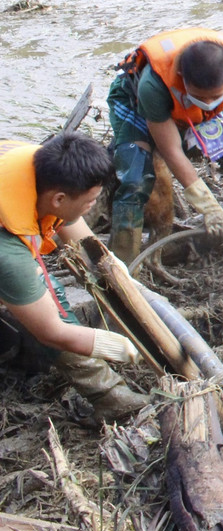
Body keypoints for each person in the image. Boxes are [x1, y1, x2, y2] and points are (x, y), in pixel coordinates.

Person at [0, 135, 147, 421]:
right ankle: (109, 395)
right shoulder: (7, 252)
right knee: (44, 299)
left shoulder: (42, 169)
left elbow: (78, 233)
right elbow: (52, 331)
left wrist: (112, 266)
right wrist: (121, 347)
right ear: (59, 199)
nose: (93, 206)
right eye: (90, 200)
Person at [106, 29, 223, 263]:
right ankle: (123, 266)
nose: (208, 101)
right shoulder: (153, 85)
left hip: (198, 113)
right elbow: (171, 151)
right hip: (138, 104)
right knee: (135, 181)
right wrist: (208, 207)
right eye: (202, 96)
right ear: (181, 75)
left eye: (214, 96)